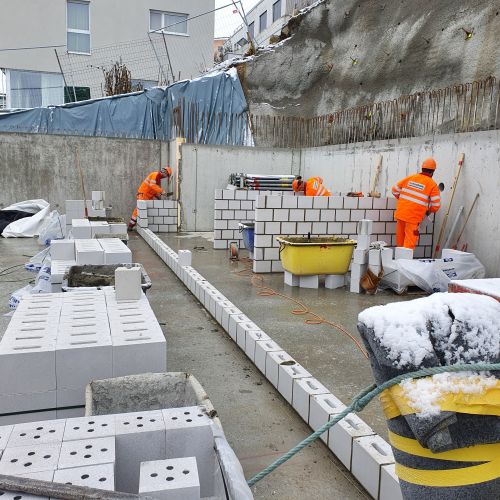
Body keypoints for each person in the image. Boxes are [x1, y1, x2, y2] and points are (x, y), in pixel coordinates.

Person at [391, 158, 441, 249]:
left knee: (400, 242)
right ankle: (406, 263)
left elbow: (394, 190)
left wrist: (404, 201)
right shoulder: (432, 184)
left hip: (401, 214)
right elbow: (436, 206)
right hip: (413, 218)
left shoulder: (410, 178)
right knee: (409, 245)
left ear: (422, 168)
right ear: (433, 172)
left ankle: (399, 262)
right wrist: (428, 210)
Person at [128, 166, 172, 230]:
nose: (165, 177)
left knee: (147, 210)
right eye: (166, 175)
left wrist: (158, 196)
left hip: (148, 196)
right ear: (164, 172)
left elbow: (154, 189)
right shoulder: (155, 174)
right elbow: (152, 185)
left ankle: (143, 225)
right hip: (143, 194)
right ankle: (131, 225)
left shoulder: (158, 179)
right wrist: (162, 191)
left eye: (166, 176)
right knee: (138, 209)